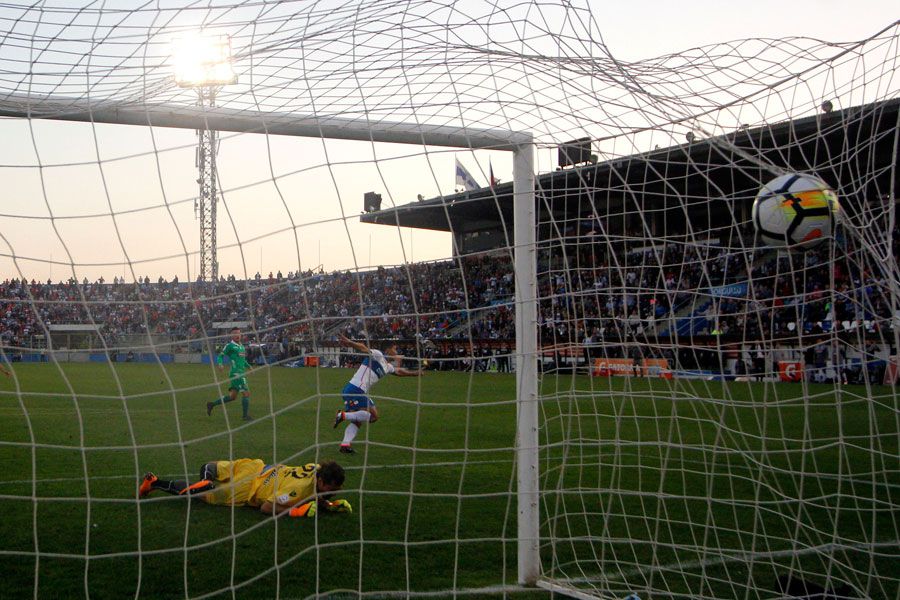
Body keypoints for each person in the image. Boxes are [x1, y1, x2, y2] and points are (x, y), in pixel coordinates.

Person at [138, 459, 350, 517]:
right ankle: (156, 483)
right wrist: (297, 510)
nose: (334, 491)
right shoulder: (299, 490)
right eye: (331, 488)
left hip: (258, 466)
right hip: (249, 489)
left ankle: (205, 478)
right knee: (205, 495)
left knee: (210, 466)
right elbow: (267, 508)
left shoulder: (316, 468)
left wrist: (327, 503)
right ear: (322, 482)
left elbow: (313, 493)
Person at [332, 334, 423, 454]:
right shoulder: (378, 355)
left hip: (357, 390)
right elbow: (363, 348)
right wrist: (350, 342)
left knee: (358, 420)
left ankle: (345, 444)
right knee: (373, 416)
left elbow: (399, 372)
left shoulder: (387, 366)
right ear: (388, 350)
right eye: (394, 349)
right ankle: (343, 415)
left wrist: (416, 373)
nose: (396, 352)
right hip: (355, 389)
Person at [207, 327, 253, 421]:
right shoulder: (230, 345)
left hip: (241, 372)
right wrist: (220, 364)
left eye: (238, 333)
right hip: (236, 373)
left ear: (241, 335)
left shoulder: (241, 346)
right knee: (246, 393)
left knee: (233, 397)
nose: (237, 335)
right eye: (235, 333)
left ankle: (212, 404)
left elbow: (242, 360)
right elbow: (220, 355)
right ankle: (245, 416)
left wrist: (249, 366)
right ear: (231, 335)